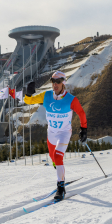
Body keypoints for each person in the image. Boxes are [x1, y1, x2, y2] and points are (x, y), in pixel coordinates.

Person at [24, 71, 87, 200]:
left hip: (64, 133)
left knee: (58, 157)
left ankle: (61, 187)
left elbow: (81, 113)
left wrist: (83, 129)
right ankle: (57, 166)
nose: (55, 84)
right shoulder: (46, 96)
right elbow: (29, 101)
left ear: (63, 83)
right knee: (53, 158)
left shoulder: (71, 99)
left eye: (58, 82)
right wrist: (28, 93)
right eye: (53, 81)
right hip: (51, 133)